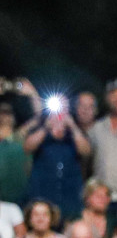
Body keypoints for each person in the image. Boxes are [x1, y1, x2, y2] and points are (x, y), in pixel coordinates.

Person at [20, 91, 91, 222]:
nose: (60, 112)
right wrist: (46, 128)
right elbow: (27, 148)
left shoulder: (76, 131)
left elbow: (86, 151)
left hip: (70, 198)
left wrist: (72, 126)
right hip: (43, 196)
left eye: (64, 108)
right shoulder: (40, 129)